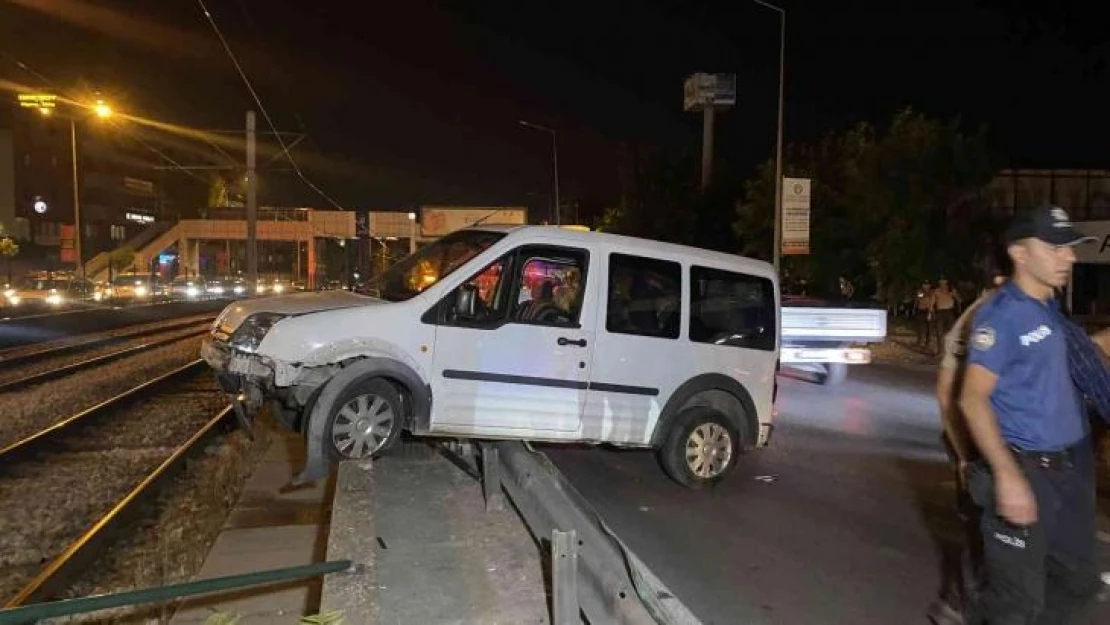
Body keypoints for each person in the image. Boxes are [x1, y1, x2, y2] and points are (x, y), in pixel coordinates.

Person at [959, 206, 1102, 623]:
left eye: (1070, 248)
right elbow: (972, 398)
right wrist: (1008, 477)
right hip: (1025, 470)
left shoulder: (1049, 306)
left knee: (1078, 583)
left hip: (1067, 471)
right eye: (1056, 247)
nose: (1069, 257)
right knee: (1016, 605)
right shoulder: (1001, 315)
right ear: (1019, 254)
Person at [928, 267, 1007, 625]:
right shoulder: (985, 316)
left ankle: (964, 601)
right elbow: (949, 395)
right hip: (978, 445)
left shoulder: (1014, 312)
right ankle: (961, 603)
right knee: (985, 530)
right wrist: (965, 457)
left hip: (996, 446)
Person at [934, 278, 962, 353]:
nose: (942, 283)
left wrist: (955, 293)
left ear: (946, 282)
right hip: (940, 312)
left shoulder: (951, 290)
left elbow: (959, 300)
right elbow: (932, 301)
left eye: (944, 282)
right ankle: (940, 351)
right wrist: (930, 312)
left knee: (951, 332)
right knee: (939, 332)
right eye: (941, 282)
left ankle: (951, 350)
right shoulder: (936, 291)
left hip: (949, 312)